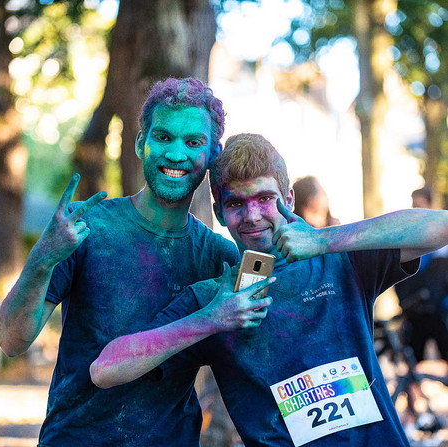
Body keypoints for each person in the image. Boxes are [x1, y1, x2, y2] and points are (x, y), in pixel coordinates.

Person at [91, 133, 448, 446]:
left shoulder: (342, 261)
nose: (251, 215)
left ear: (289, 199)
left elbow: (441, 227)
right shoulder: (213, 297)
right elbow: (106, 369)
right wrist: (209, 320)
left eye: (264, 198)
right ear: (219, 211)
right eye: (235, 203)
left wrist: (324, 240)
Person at [0, 78, 241, 447]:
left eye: (193, 142)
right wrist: (43, 258)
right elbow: (12, 341)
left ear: (211, 155)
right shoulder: (87, 228)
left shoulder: (220, 260)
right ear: (141, 143)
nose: (176, 154)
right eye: (163, 137)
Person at [394, 186, 448, 362]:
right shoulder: (408, 241)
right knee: (413, 364)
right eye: (413, 205)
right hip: (415, 315)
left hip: (439, 313)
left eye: (420, 204)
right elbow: (397, 277)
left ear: (431, 206)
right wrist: (403, 301)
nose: (415, 209)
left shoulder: (444, 244)